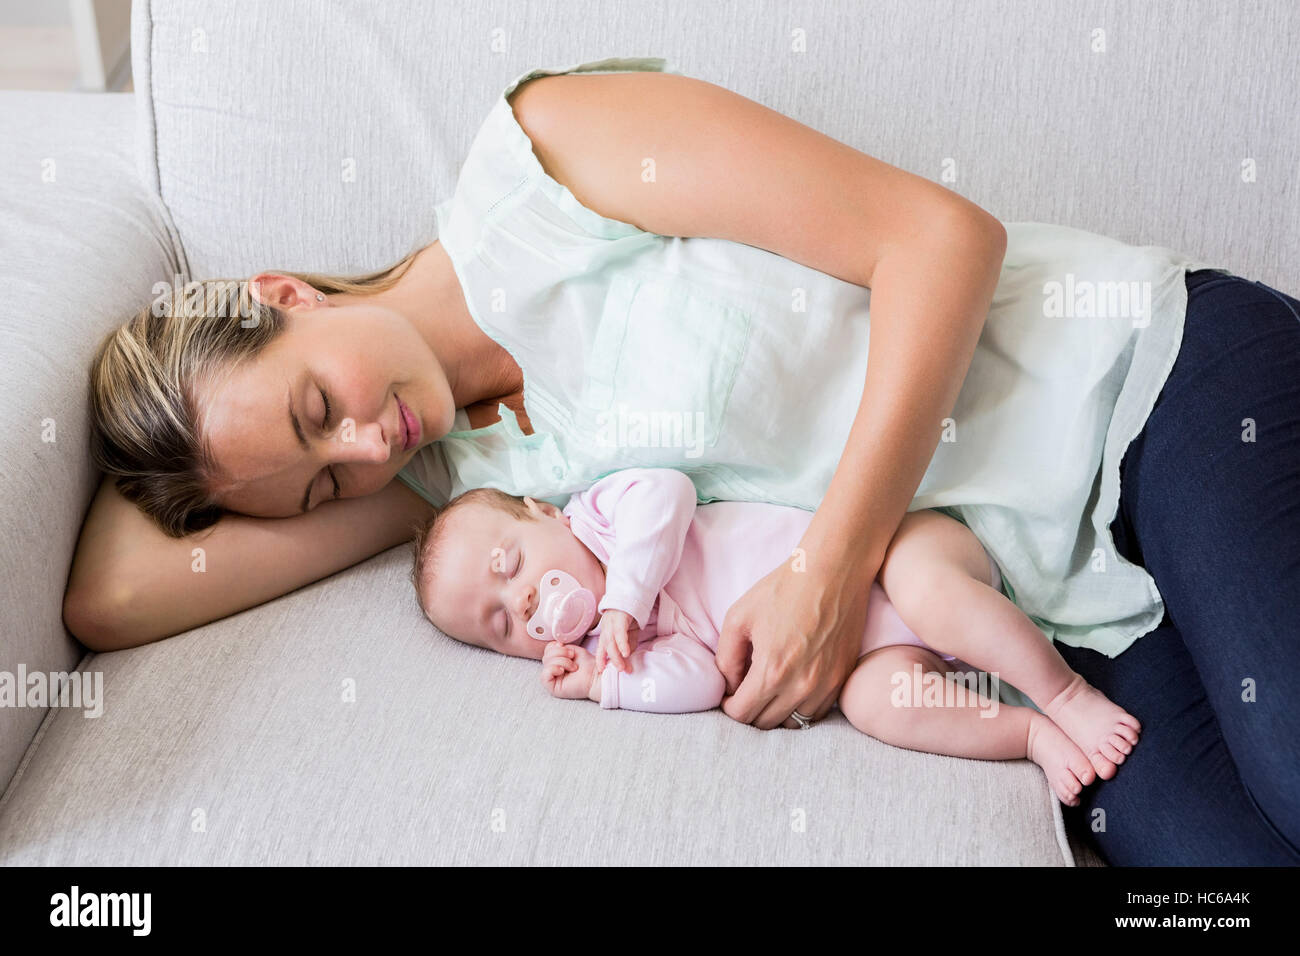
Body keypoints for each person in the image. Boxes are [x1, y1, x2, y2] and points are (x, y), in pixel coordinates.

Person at [64, 57, 1299, 864]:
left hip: (1142, 388)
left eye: (313, 406)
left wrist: (830, 567)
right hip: (1042, 606)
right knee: (1221, 874)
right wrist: (202, 446)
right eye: (321, 483)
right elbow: (108, 597)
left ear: (284, 292)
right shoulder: (454, 488)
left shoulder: (550, 162)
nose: (360, 445)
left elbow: (942, 239)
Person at [413, 467, 1145, 807]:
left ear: (540, 512)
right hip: (870, 650)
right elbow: (700, 682)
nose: (527, 603)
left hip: (888, 553)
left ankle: (1066, 692)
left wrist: (623, 600)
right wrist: (609, 680)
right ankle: (1028, 733)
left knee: (934, 594)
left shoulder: (601, 517)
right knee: (876, 705)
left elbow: (670, 492)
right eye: (502, 625)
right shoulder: (628, 651)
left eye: (510, 566)